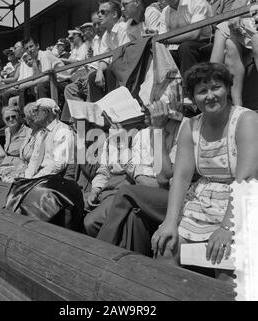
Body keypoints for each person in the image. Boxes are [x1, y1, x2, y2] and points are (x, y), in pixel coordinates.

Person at [151, 63, 258, 280]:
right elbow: (180, 177)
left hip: (241, 203)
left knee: (228, 259)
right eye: (202, 91)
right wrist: (170, 221)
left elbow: (246, 179)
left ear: (227, 89)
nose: (210, 96)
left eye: (216, 87)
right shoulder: (190, 126)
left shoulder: (246, 120)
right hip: (202, 203)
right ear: (193, 97)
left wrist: (227, 227)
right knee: (165, 247)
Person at [96, 101, 187, 255]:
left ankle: (99, 253)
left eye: (149, 104)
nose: (142, 109)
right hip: (147, 192)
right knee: (134, 218)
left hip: (176, 196)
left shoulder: (185, 129)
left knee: (127, 192)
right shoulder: (143, 134)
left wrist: (158, 131)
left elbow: (164, 178)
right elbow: (141, 178)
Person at [4, 98, 84, 231]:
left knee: (30, 195)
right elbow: (34, 160)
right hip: (43, 175)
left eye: (36, 111)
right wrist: (28, 178)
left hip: (58, 178)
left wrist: (34, 179)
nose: (34, 114)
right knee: (16, 188)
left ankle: (30, 228)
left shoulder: (63, 131)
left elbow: (58, 164)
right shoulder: (42, 133)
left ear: (46, 112)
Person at [61, 12, 106, 123]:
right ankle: (80, 116)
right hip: (88, 71)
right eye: (83, 30)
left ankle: (84, 117)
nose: (84, 32)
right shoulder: (92, 42)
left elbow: (100, 61)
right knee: (69, 89)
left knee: (87, 78)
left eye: (86, 29)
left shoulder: (100, 38)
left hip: (96, 71)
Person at [88, 0, 131, 102]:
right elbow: (104, 58)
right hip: (116, 67)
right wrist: (99, 71)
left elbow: (125, 56)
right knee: (93, 77)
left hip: (129, 67)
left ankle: (113, 107)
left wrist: (106, 67)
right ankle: (99, 110)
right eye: (98, 12)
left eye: (103, 12)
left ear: (114, 14)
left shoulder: (124, 29)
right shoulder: (106, 36)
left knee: (111, 69)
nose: (99, 15)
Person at [159, 0, 213, 76]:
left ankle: (188, 85)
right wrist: (162, 39)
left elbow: (194, 34)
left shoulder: (197, 2)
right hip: (181, 47)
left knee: (186, 47)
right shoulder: (165, 12)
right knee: (163, 54)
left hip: (205, 44)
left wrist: (166, 39)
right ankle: (167, 86)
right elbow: (161, 37)